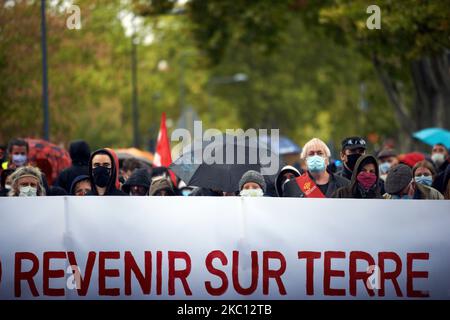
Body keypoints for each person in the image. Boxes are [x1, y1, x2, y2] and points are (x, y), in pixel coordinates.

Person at [283, 138, 350, 197]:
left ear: (327, 159)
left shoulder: (345, 185)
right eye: (311, 154)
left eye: (320, 153)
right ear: (305, 160)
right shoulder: (292, 186)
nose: (315, 156)